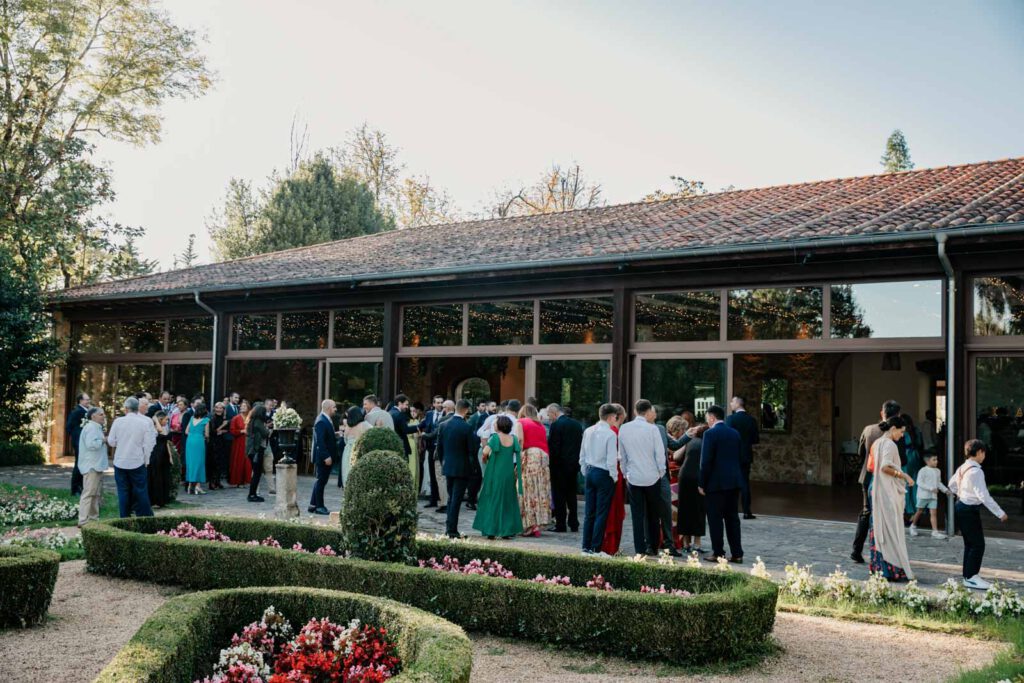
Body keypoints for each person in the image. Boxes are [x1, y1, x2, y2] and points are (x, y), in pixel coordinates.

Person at [949, 439, 1008, 590]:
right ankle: (971, 577)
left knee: (970, 544)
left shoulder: (963, 467)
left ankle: (968, 576)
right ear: (980, 452)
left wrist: (961, 493)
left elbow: (951, 485)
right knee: (977, 544)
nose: (984, 456)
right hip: (969, 509)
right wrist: (999, 513)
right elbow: (984, 496)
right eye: (984, 453)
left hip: (961, 506)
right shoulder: (976, 471)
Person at [851, 399, 902, 564]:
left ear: (882, 413)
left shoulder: (869, 430)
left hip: (868, 476)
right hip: (887, 478)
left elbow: (860, 453)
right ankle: (885, 554)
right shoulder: (895, 432)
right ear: (898, 415)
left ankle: (856, 550)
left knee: (866, 512)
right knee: (887, 514)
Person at [618, 399, 668, 555]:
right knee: (653, 514)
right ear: (648, 412)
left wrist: (625, 472)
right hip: (652, 476)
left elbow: (622, 455)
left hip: (633, 476)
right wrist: (661, 472)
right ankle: (653, 546)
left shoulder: (624, 428)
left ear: (635, 411)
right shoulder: (653, 429)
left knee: (637, 515)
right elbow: (659, 453)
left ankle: (639, 548)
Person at [869, 415, 915, 581]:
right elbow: (884, 467)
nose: (902, 436)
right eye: (901, 432)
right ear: (893, 428)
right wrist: (904, 476)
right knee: (890, 529)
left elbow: (873, 466)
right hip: (885, 490)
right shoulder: (889, 444)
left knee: (880, 528)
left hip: (877, 488)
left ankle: (880, 568)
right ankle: (890, 569)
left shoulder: (877, 442)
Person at [699, 405, 744, 563]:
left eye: (707, 418)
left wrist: (701, 483)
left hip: (715, 483)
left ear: (712, 417)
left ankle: (718, 552)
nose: (707, 421)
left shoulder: (710, 434)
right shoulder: (735, 433)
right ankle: (737, 553)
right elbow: (740, 457)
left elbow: (705, 462)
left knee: (715, 520)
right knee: (732, 519)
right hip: (733, 482)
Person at [473, 415, 524, 539]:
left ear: (500, 425)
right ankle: (506, 531)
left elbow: (485, 452)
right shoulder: (513, 438)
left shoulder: (495, 438)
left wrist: (486, 458)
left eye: (495, 423)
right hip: (508, 473)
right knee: (507, 501)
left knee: (493, 499)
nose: (494, 425)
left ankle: (491, 530)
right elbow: (519, 453)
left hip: (495, 472)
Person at [580, 403, 622, 555]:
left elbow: (582, 454)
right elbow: (611, 460)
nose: (615, 420)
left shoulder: (588, 430)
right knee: (601, 513)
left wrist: (585, 470)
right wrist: (614, 477)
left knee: (589, 512)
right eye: (615, 417)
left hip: (590, 471)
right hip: (604, 473)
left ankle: (585, 547)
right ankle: (596, 548)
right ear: (610, 417)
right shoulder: (610, 434)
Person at [106, 396, 156, 518]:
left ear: (126, 408)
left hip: (120, 461)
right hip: (137, 460)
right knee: (141, 490)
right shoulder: (144, 423)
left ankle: (124, 518)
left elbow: (111, 442)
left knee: (123, 491)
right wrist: (146, 459)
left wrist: (120, 442)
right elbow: (148, 444)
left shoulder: (118, 422)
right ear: (137, 408)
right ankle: (145, 518)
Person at [437, 399, 478, 538]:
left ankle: (449, 527)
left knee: (451, 498)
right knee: (456, 500)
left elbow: (439, 448)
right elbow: (472, 450)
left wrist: (443, 462)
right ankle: (452, 530)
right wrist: (473, 467)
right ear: (466, 410)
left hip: (448, 466)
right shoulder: (467, 427)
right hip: (462, 468)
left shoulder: (443, 425)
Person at [514, 404, 553, 537]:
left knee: (526, 489)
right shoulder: (540, 425)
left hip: (530, 455)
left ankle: (528, 524)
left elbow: (519, 441)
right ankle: (537, 523)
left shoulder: (520, 422)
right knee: (540, 490)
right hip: (543, 457)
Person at [546, 403, 584, 533]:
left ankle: (561, 524)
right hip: (573, 465)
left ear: (554, 412)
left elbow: (554, 447)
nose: (549, 418)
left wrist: (551, 464)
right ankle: (574, 523)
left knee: (559, 496)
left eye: (549, 415)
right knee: (571, 495)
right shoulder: (577, 425)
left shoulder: (556, 425)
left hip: (559, 466)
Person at [673, 422, 708, 553]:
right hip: (698, 476)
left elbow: (676, 456)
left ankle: (686, 543)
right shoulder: (706, 442)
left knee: (684, 508)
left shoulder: (689, 441)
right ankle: (697, 544)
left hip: (684, 476)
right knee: (699, 509)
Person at [600, 403, 628, 555]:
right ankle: (611, 545)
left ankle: (606, 544)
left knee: (607, 508)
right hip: (615, 473)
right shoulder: (616, 433)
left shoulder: (605, 431)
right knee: (614, 510)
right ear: (620, 416)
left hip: (607, 472)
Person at [726, 396, 760, 520]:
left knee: (731, 484)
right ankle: (746, 511)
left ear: (738, 403)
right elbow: (755, 439)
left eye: (732, 401)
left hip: (732, 455)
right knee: (745, 483)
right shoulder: (751, 420)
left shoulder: (730, 419)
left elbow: (726, 437)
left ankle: (731, 510)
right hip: (745, 455)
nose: (730, 403)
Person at [77, 407, 108, 526]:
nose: (103, 416)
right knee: (89, 493)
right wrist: (103, 440)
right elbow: (91, 444)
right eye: (101, 414)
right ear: (93, 416)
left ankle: (93, 519)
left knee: (96, 494)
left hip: (96, 465)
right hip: (91, 466)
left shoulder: (96, 427)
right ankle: (83, 520)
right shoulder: (91, 428)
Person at [910, 453, 950, 539]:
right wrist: (931, 488)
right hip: (923, 496)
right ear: (927, 461)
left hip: (933, 496)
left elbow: (938, 483)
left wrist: (946, 490)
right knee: (919, 511)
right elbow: (919, 482)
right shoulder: (923, 470)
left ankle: (935, 532)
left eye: (936, 459)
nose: (936, 461)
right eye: (934, 460)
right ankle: (913, 526)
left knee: (933, 513)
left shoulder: (937, 471)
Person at [309, 399, 338, 515]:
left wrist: (335, 434)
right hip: (323, 457)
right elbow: (320, 442)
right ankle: (319, 507)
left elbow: (326, 436)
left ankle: (313, 505)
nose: (336, 409)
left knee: (320, 481)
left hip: (326, 456)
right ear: (329, 408)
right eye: (334, 407)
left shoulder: (326, 419)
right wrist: (326, 456)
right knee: (321, 481)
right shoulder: (321, 420)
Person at [464, 399, 490, 509]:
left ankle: (473, 498)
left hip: (481, 449)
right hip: (475, 449)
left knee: (479, 476)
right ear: (478, 407)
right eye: (482, 406)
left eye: (485, 405)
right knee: (475, 476)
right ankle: (471, 499)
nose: (484, 408)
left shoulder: (487, 417)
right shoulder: (474, 418)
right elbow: (471, 433)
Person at [420, 396, 446, 504]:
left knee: (441, 474)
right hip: (431, 447)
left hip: (442, 447)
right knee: (432, 473)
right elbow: (423, 425)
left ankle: (442, 498)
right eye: (438, 402)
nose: (440, 405)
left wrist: (425, 435)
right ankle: (433, 499)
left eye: (441, 402)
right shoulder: (429, 414)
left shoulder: (446, 415)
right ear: (434, 404)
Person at [433, 400, 456, 513]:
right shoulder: (461, 421)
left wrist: (424, 435)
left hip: (443, 454)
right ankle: (451, 502)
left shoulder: (442, 420)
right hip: (455, 454)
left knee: (441, 478)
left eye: (443, 407)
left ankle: (444, 503)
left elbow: (437, 437)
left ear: (447, 408)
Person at [246, 403, 271, 502]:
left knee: (256, 473)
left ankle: (253, 493)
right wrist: (268, 429)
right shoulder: (258, 422)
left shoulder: (252, 421)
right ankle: (252, 495)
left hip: (251, 451)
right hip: (256, 450)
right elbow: (266, 433)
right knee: (257, 473)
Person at [147, 411, 173, 507]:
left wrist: (170, 456)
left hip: (164, 455)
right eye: (166, 419)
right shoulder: (154, 428)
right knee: (156, 477)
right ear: (160, 420)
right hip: (156, 454)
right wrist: (155, 420)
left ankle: (163, 500)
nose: (167, 421)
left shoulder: (164, 428)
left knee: (164, 477)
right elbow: (161, 431)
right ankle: (155, 500)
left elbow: (166, 442)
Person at [66, 392, 90, 495]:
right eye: (86, 399)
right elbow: (69, 427)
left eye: (88, 399)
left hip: (85, 442)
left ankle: (81, 487)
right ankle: (75, 489)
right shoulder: (77, 411)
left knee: (83, 464)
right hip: (79, 442)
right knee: (79, 464)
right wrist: (77, 438)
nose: (88, 401)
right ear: (80, 401)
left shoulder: (86, 411)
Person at [340, 405, 369, 488]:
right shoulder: (364, 424)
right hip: (358, 451)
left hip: (347, 452)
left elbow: (345, 440)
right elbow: (373, 433)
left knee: (347, 472)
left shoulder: (348, 427)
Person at [184, 402, 210, 495]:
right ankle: (197, 486)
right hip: (199, 441)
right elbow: (207, 434)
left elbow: (186, 431)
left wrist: (193, 434)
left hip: (190, 441)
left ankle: (190, 485)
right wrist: (203, 436)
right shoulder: (206, 420)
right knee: (199, 463)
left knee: (191, 462)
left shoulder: (191, 418)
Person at [227, 399, 252, 487]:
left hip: (248, 442)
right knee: (239, 460)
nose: (243, 407)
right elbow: (232, 431)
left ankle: (246, 480)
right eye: (241, 406)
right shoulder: (236, 418)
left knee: (248, 461)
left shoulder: (250, 418)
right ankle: (238, 481)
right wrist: (241, 431)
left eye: (245, 406)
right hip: (239, 442)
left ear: (248, 408)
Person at [208, 402, 229, 490]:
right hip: (214, 443)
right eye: (217, 408)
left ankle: (218, 481)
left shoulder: (224, 418)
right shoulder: (212, 418)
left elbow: (228, 430)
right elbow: (212, 431)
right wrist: (221, 427)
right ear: (214, 408)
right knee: (213, 463)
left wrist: (222, 431)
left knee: (220, 462)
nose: (219, 410)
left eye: (221, 408)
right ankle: (212, 482)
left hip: (222, 442)